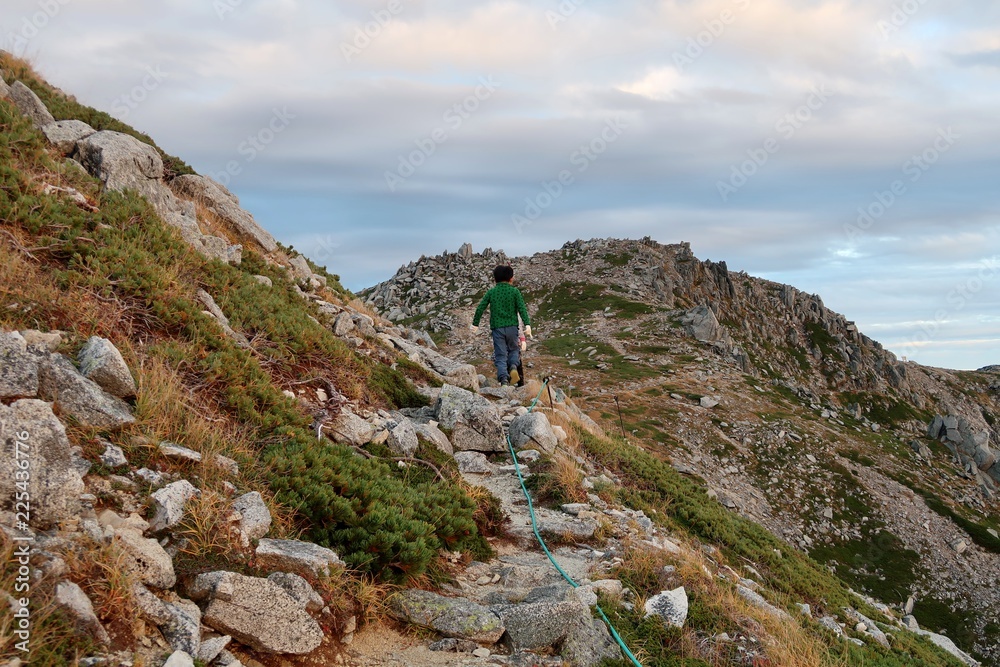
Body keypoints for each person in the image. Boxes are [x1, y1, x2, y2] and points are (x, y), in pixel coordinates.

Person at [471, 265, 532, 386]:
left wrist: (475, 324)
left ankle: (504, 379)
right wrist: (527, 325)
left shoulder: (491, 292)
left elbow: (480, 308)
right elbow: (522, 309)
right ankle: (514, 366)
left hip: (497, 328)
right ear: (510, 278)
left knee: (500, 354)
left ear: (495, 278)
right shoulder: (515, 291)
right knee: (514, 350)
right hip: (512, 328)